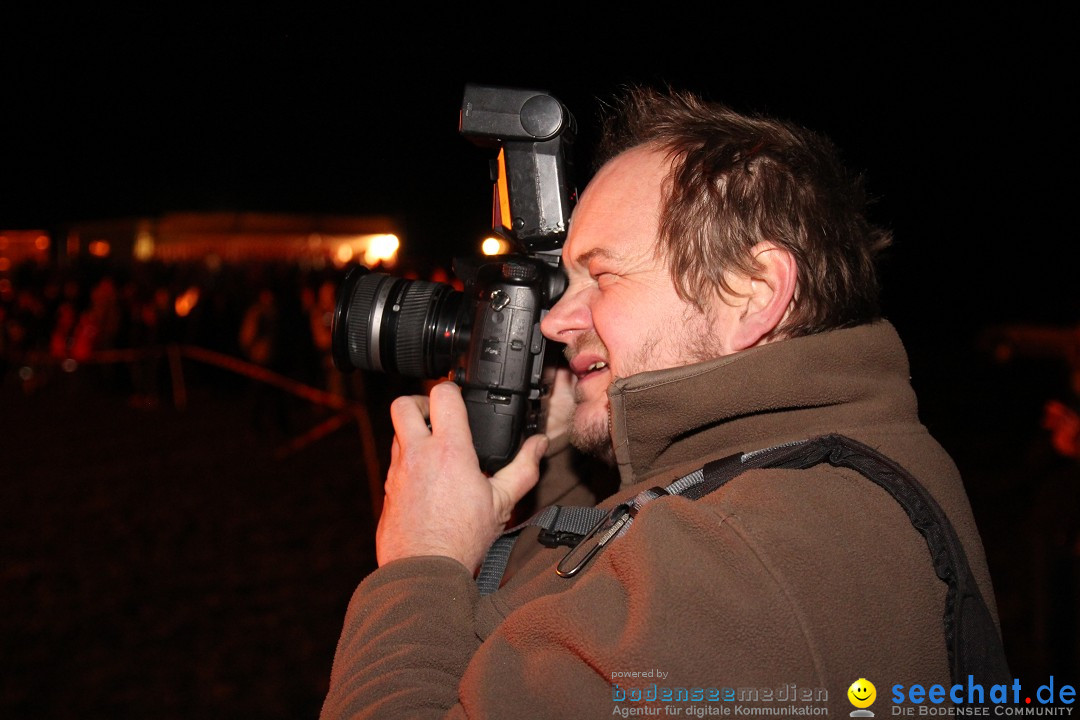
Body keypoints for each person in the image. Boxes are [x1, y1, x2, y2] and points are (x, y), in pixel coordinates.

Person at [320, 86, 1003, 717]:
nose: (555, 323)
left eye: (603, 276)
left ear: (752, 293)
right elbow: (579, 575)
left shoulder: (743, 558)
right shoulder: (784, 469)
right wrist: (558, 438)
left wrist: (421, 563)